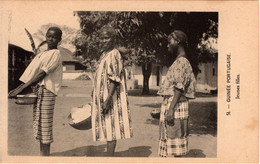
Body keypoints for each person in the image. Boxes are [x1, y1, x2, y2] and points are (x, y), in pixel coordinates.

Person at [8, 27, 63, 156]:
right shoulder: (43, 54)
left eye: (54, 37)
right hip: (40, 91)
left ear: (59, 40)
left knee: (45, 126)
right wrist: (18, 89)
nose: (50, 39)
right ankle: (42, 155)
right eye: (48, 36)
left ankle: (45, 156)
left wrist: (20, 88)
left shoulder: (56, 54)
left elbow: (41, 74)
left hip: (48, 92)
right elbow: (33, 71)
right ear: (46, 37)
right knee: (39, 125)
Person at [91, 25, 133, 156]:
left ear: (113, 39)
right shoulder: (104, 55)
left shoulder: (114, 54)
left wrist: (108, 99)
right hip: (103, 97)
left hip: (110, 97)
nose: (104, 40)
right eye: (102, 38)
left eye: (107, 38)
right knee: (106, 129)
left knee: (110, 130)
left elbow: (115, 79)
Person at [157, 30, 196, 157]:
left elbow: (179, 88)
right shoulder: (179, 61)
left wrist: (171, 109)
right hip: (174, 103)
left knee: (176, 144)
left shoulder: (182, 62)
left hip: (176, 105)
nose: (168, 45)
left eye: (170, 42)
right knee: (172, 142)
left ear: (178, 42)